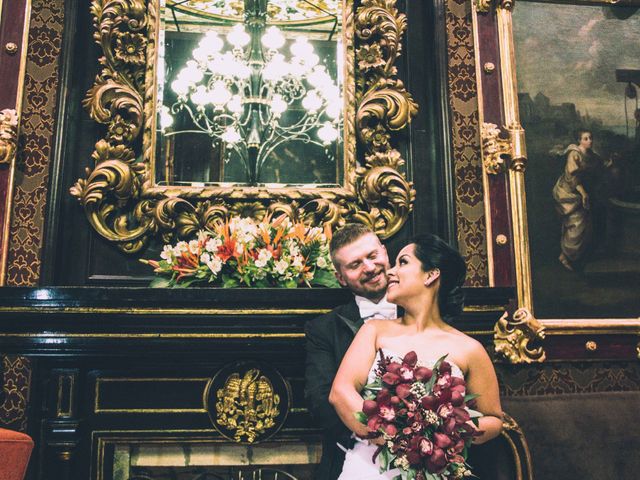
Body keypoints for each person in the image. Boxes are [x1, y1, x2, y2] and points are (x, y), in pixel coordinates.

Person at [329, 233, 503, 479]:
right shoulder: (374, 331)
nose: (390, 272)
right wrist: (396, 437)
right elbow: (341, 393)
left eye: (403, 262)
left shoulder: (469, 349)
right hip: (371, 467)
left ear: (431, 274)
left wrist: (445, 432)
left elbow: (494, 419)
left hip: (436, 470)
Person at [305, 224, 398, 480]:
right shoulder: (323, 329)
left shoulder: (425, 313)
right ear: (341, 278)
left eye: (372, 256)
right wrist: (377, 434)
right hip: (356, 454)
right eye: (355, 264)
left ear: (385, 252)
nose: (369, 267)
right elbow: (320, 399)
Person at [552, 129, 611, 270]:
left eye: (590, 138)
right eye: (586, 138)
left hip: (584, 192)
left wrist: (608, 164)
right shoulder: (574, 154)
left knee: (587, 225)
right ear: (579, 140)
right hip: (570, 192)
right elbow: (572, 177)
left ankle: (576, 257)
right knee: (576, 223)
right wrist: (583, 193)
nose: (589, 141)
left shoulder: (592, 155)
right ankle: (566, 256)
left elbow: (598, 167)